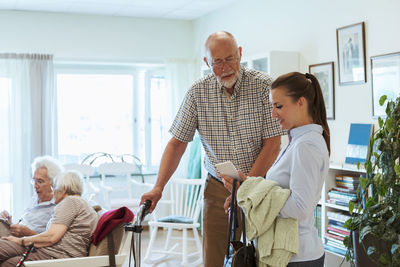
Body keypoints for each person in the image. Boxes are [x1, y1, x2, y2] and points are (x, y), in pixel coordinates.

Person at [141, 31, 284, 266]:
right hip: (218, 189)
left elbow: (272, 144)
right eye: (218, 62)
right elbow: (177, 144)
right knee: (215, 260)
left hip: (260, 186)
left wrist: (246, 187)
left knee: (261, 258)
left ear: (240, 54)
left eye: (230, 58)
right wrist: (158, 187)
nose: (226, 67)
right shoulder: (198, 92)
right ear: (207, 63)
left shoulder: (263, 86)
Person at [222, 72, 330, 266]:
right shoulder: (297, 141)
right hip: (290, 253)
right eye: (272, 107)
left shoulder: (305, 145)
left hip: (296, 256)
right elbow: (278, 191)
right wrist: (246, 186)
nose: (273, 114)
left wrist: (253, 194)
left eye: (278, 106)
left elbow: (300, 207)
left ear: (301, 102)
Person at [0, 171, 98, 266]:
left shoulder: (71, 201)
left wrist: (21, 241)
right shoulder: (82, 204)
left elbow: (51, 237)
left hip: (55, 256)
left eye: (54, 187)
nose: (53, 192)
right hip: (53, 253)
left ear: (63, 189)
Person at [0, 156, 63, 237]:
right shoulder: (35, 197)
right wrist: (9, 222)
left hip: (27, 243)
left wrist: (28, 233)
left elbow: (50, 240)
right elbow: (23, 225)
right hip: (14, 237)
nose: (35, 186)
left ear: (53, 183)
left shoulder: (57, 206)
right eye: (34, 181)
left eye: (40, 181)